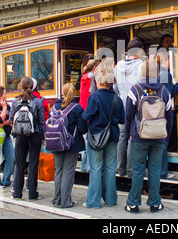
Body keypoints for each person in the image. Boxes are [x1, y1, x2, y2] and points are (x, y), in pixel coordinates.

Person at [124, 60, 173, 213]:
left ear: (142, 73)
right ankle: (155, 202)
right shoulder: (164, 91)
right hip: (158, 137)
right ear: (157, 73)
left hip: (139, 136)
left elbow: (128, 116)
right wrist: (166, 136)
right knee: (154, 170)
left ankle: (133, 203)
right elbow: (169, 118)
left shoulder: (135, 91)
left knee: (138, 170)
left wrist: (129, 134)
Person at [82, 59, 125, 209]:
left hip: (96, 137)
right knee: (110, 168)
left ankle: (93, 202)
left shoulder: (94, 97)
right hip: (112, 136)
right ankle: (111, 200)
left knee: (95, 168)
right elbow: (123, 119)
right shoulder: (116, 98)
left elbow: (87, 116)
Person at [51, 83, 87, 208]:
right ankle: (66, 202)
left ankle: (57, 200)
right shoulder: (77, 108)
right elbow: (82, 128)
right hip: (72, 144)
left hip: (55, 142)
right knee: (68, 172)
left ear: (62, 92)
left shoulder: (54, 107)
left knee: (59, 171)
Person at [10, 77, 46, 201]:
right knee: (33, 164)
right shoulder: (38, 102)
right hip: (34, 135)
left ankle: (17, 193)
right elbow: (42, 121)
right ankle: (32, 193)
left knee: (20, 164)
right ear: (33, 86)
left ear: (21, 86)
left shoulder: (15, 101)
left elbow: (11, 119)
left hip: (20, 136)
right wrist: (43, 136)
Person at [114, 37, 144, 177]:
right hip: (136, 106)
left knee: (122, 137)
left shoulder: (118, 66)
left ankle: (120, 169)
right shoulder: (141, 65)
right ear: (139, 51)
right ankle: (131, 170)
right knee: (133, 137)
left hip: (121, 104)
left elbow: (116, 87)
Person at [156, 50, 178, 179]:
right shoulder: (166, 74)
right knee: (163, 142)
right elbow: (169, 93)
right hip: (165, 111)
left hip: (154, 111)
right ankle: (162, 172)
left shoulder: (156, 73)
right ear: (166, 60)